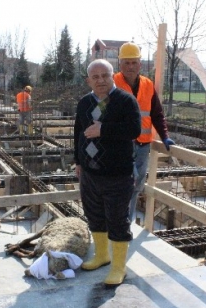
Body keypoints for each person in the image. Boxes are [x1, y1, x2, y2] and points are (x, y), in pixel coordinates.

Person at [74, 59, 141, 286]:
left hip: (117, 173)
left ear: (113, 76)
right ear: (88, 80)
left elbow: (134, 129)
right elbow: (78, 132)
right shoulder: (84, 103)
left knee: (117, 219)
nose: (101, 80)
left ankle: (118, 267)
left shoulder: (125, 101)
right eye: (96, 77)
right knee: (94, 214)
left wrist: (103, 129)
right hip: (90, 173)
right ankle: (102, 255)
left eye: (105, 75)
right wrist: (78, 161)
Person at [114, 42, 175, 223]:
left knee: (137, 185)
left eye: (134, 63)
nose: (130, 67)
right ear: (120, 64)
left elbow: (156, 114)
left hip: (143, 145)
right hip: (122, 144)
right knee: (122, 182)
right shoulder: (113, 83)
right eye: (127, 63)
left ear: (140, 64)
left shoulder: (148, 85)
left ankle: (127, 222)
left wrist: (164, 136)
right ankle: (116, 221)